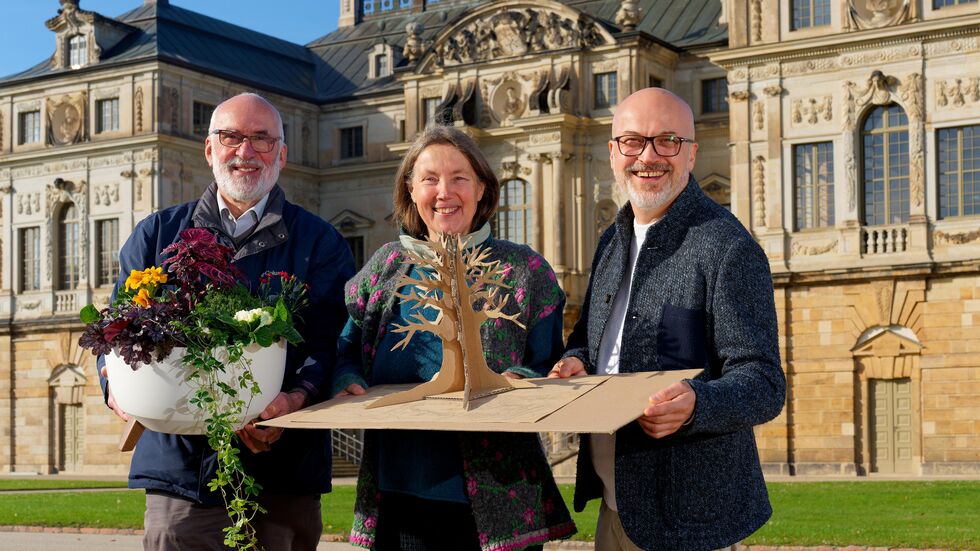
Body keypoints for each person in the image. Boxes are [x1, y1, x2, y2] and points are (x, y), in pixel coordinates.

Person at [97, 93, 355, 550]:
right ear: (209, 148)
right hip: (182, 474)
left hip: (283, 474)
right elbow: (114, 332)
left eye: (261, 139)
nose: (245, 151)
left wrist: (294, 401)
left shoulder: (321, 242)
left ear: (282, 154)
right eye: (231, 136)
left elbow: (331, 344)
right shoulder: (157, 234)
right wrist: (114, 386)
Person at [549, 88, 785, 551]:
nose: (648, 156)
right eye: (633, 141)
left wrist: (698, 404)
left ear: (691, 153)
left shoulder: (727, 247)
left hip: (687, 523)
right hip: (616, 507)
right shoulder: (610, 241)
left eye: (667, 141)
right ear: (613, 152)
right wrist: (576, 361)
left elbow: (764, 383)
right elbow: (588, 341)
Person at [333, 125, 576, 551]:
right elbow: (346, 349)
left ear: (481, 189)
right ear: (411, 191)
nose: (444, 192)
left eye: (459, 178)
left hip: (500, 497)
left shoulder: (525, 270)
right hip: (399, 496)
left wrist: (520, 380)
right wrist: (347, 379)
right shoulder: (386, 267)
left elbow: (548, 362)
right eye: (429, 179)